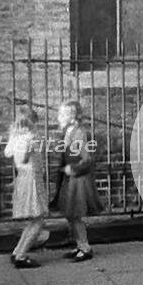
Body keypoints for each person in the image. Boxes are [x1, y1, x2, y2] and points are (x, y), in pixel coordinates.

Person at [52, 101, 103, 262]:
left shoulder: (78, 133)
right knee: (70, 214)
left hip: (78, 178)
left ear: (72, 116)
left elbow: (87, 159)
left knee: (75, 214)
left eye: (62, 114)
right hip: (70, 177)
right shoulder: (68, 131)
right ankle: (80, 245)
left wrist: (72, 168)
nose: (59, 117)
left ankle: (85, 248)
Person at [4, 106, 49, 269]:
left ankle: (17, 252)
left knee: (33, 219)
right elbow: (23, 159)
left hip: (22, 177)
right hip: (32, 179)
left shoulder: (15, 137)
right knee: (38, 219)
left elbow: (7, 153)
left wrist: (14, 137)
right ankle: (21, 256)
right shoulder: (31, 138)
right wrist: (30, 145)